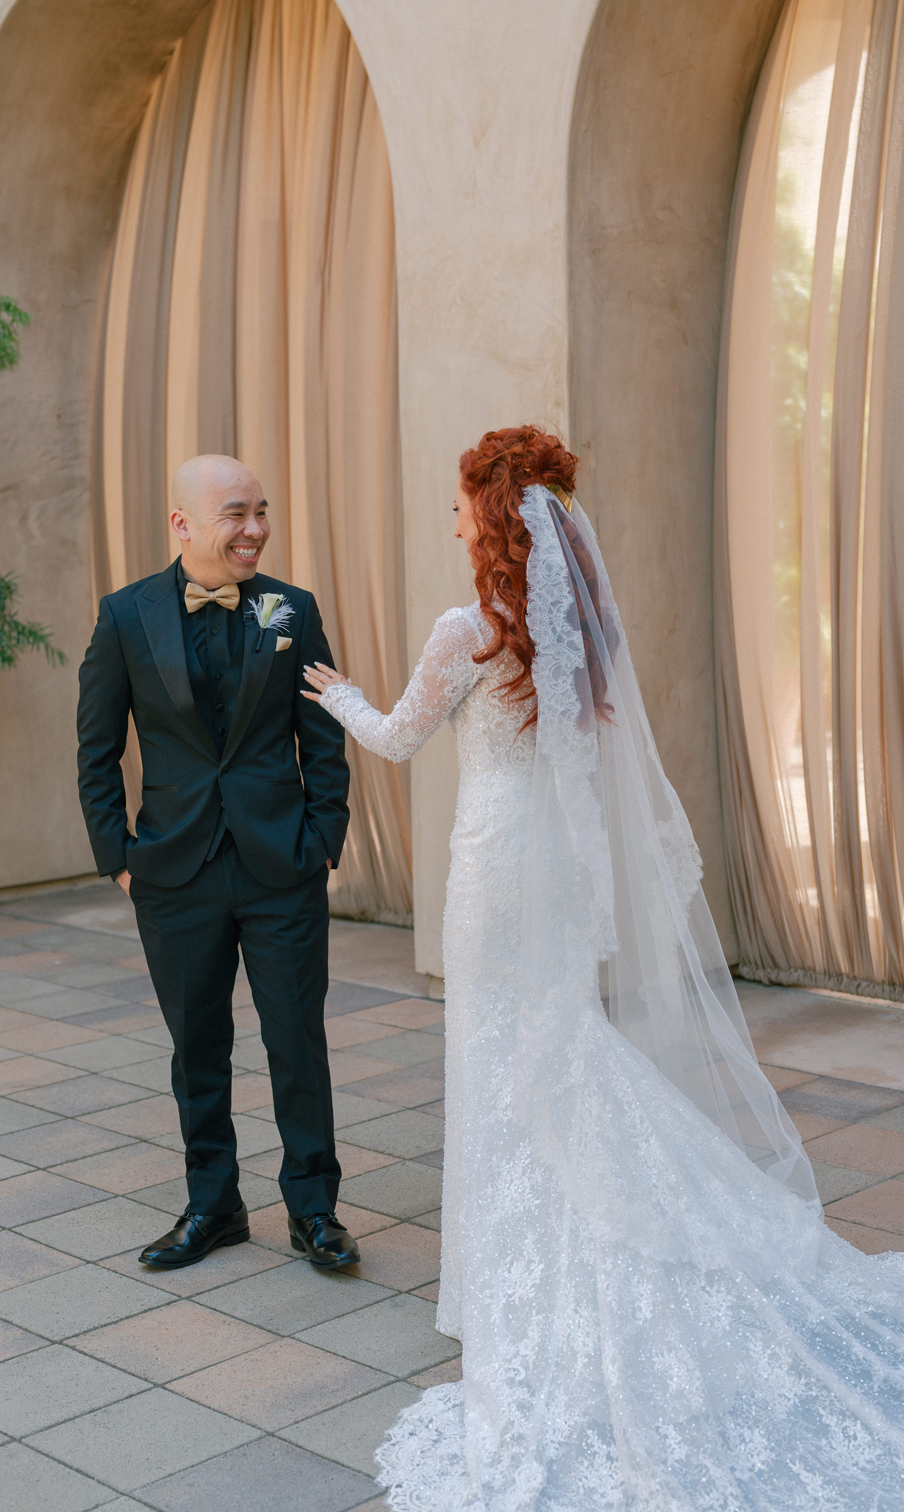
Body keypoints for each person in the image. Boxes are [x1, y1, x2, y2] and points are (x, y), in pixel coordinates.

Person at [304, 425, 904, 1510]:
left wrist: (338, 694)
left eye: (459, 503)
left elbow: (397, 739)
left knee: (497, 1063)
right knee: (559, 1050)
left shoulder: (467, 628)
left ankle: (510, 1281)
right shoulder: (580, 622)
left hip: (494, 874)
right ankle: (555, 1244)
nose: (451, 519)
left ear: (490, 513)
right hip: (557, 873)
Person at [78, 454, 360, 1271]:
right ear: (182, 524)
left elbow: (325, 738)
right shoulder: (125, 617)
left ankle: (314, 1210)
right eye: (236, 513)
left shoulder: (290, 610)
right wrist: (121, 861)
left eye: (262, 511)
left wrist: (322, 843)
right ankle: (214, 1206)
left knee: (295, 1043)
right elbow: (97, 750)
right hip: (174, 873)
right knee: (196, 1045)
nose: (256, 529)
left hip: (283, 868)